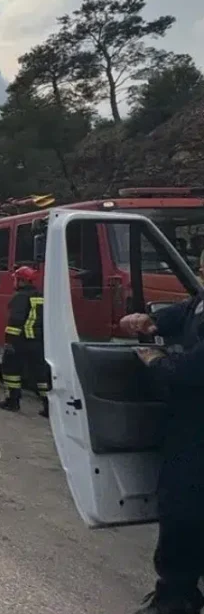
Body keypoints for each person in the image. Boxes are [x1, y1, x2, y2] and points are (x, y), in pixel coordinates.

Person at [121, 250, 204, 614]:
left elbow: (190, 371)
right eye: (201, 266)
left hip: (197, 431)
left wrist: (157, 362)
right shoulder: (200, 302)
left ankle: (176, 598)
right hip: (190, 426)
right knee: (181, 511)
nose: (201, 272)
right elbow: (188, 311)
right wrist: (152, 321)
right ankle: (177, 593)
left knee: (184, 511)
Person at [0, 265, 50, 417]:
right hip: (38, 342)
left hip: (21, 340)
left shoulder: (20, 297)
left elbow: (15, 321)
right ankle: (49, 407)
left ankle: (12, 402)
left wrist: (9, 342)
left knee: (11, 370)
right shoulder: (41, 296)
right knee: (41, 375)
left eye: (16, 279)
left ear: (21, 280)